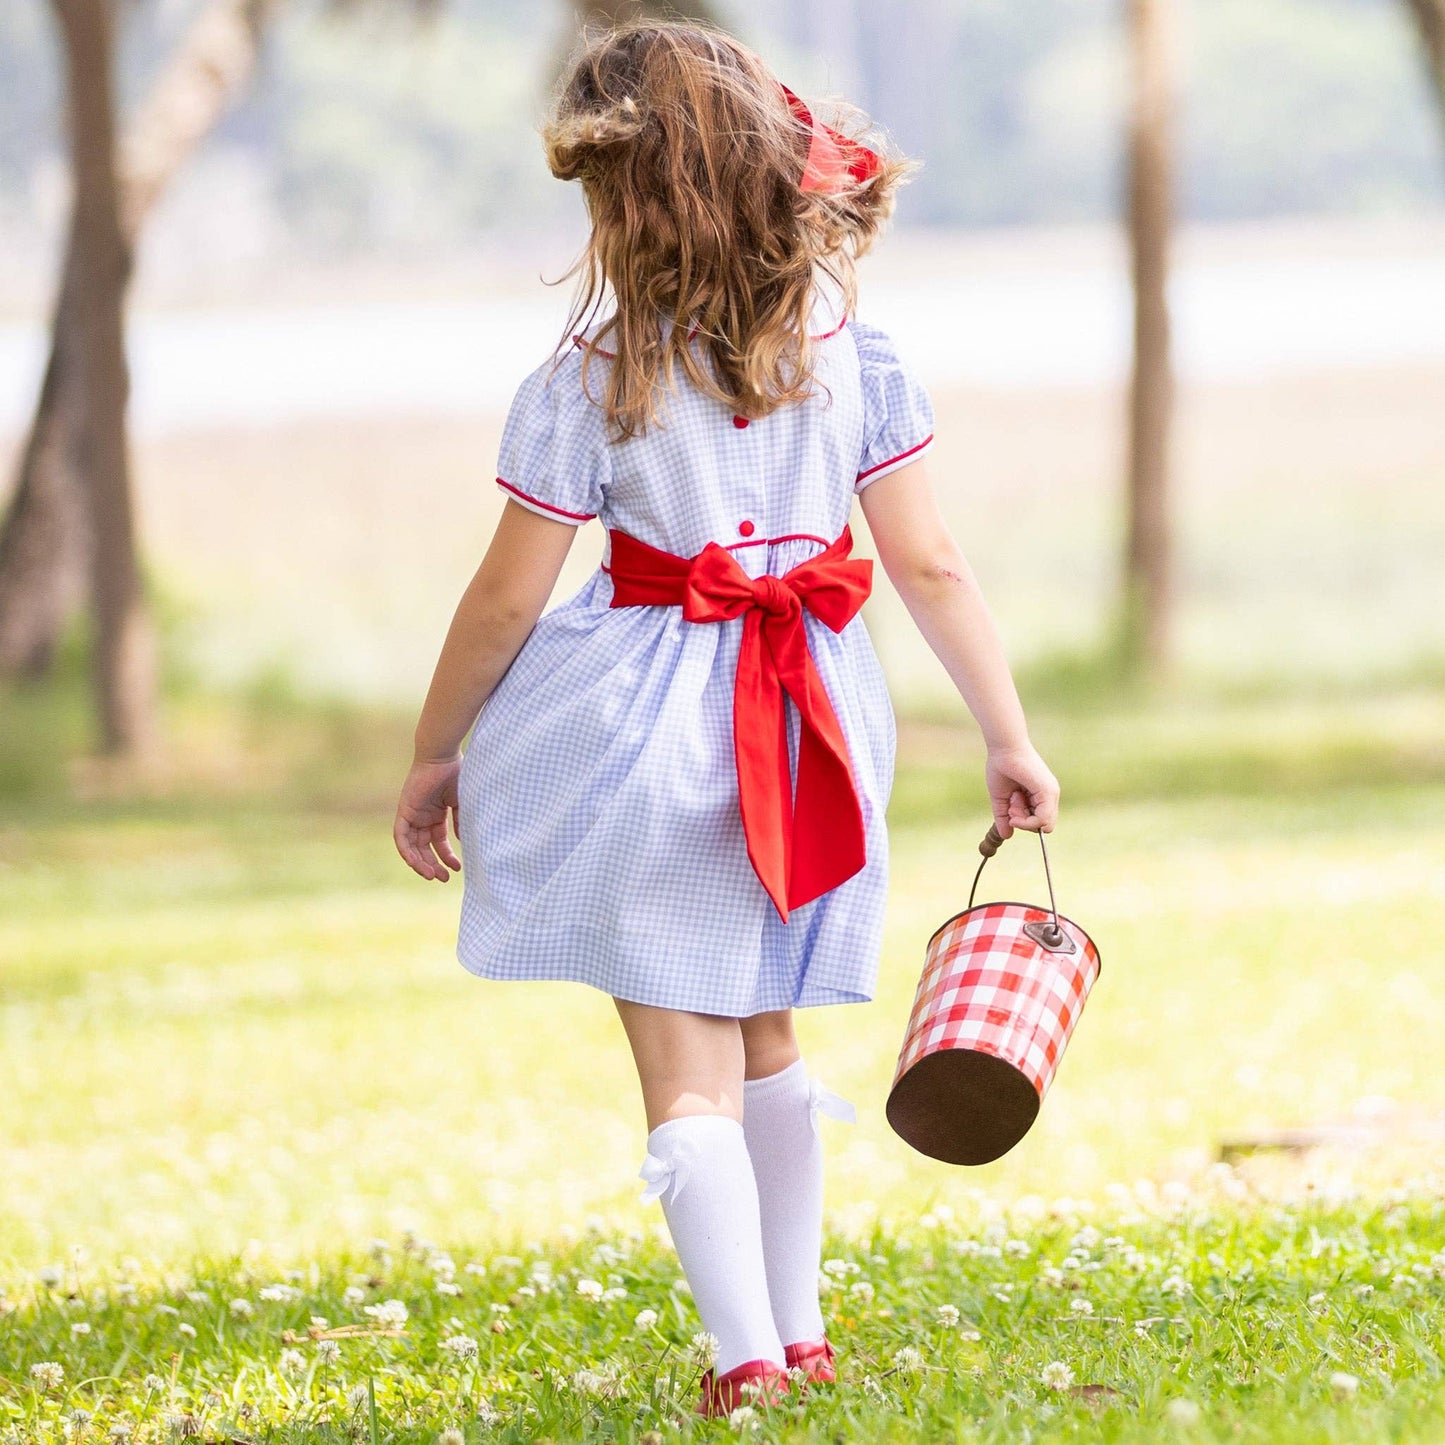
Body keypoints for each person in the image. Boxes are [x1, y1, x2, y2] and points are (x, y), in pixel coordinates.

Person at [393, 20, 1060, 1419]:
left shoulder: (594, 373)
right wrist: (1007, 731)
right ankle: (800, 1329)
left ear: (620, 197)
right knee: (767, 1037)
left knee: (683, 1066)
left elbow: (508, 597)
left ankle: (745, 1354)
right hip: (813, 718)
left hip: (645, 734)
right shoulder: (850, 352)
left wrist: (435, 748)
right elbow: (930, 563)